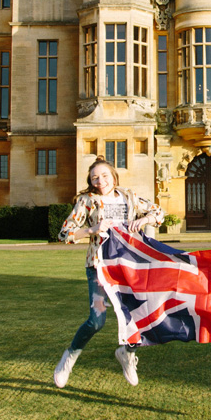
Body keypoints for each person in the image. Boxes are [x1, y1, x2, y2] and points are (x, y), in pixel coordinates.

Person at [53, 158, 165, 388]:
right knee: (97, 321)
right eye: (95, 177)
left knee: (141, 316)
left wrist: (145, 218)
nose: (100, 181)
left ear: (113, 177)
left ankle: (127, 353)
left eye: (104, 175)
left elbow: (158, 212)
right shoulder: (87, 201)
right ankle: (69, 357)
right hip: (99, 268)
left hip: (128, 268)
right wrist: (91, 229)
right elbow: (65, 233)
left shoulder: (129, 196)